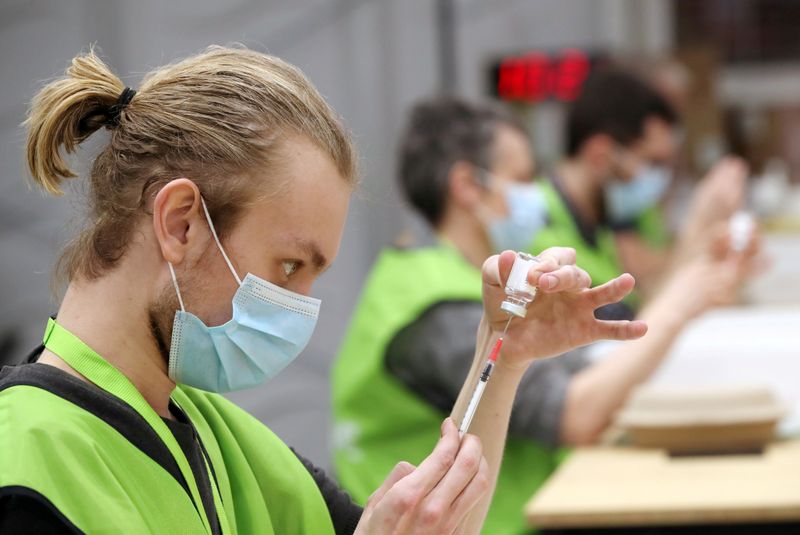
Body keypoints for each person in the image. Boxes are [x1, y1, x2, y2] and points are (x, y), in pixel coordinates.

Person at [0, 47, 646, 534]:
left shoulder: (214, 430)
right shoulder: (27, 469)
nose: (301, 306)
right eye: (288, 266)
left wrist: (501, 354)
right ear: (182, 223)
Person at [332, 97, 757, 535]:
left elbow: (591, 372)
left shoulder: (487, 277)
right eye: (522, 179)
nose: (539, 195)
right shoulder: (434, 308)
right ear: (467, 186)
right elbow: (572, 414)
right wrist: (680, 303)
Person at [536, 68, 749, 302]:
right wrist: (698, 227)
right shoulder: (540, 234)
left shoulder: (602, 220)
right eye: (652, 162)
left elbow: (650, 287)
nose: (658, 176)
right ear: (600, 154)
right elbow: (640, 319)